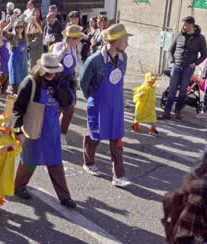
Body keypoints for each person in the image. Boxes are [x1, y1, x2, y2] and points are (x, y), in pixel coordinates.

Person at [12, 53, 76, 209]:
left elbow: (68, 103)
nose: (52, 75)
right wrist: (17, 131)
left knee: (55, 162)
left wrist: (60, 91)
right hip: (33, 128)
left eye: (55, 71)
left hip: (52, 129)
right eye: (49, 71)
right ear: (40, 69)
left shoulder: (58, 81)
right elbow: (17, 108)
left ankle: (64, 197)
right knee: (29, 161)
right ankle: (19, 186)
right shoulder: (30, 83)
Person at [80, 24, 133, 187]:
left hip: (116, 105)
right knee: (94, 135)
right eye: (125, 41)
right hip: (98, 104)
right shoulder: (94, 60)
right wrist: (94, 99)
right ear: (115, 42)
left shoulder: (123, 59)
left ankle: (118, 175)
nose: (127, 44)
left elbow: (120, 79)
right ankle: (88, 163)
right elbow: (83, 83)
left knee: (117, 139)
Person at [159, 16, 207, 120]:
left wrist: (195, 63)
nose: (184, 26)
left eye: (186, 24)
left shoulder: (200, 38)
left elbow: (204, 54)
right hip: (176, 66)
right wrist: (172, 61)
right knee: (172, 90)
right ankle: (166, 112)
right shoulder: (178, 35)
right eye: (184, 24)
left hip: (188, 68)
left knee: (182, 91)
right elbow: (170, 50)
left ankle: (177, 112)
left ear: (191, 25)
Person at [52, 25, 85, 145]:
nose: (79, 41)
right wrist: (63, 51)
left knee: (70, 108)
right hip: (59, 81)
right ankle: (55, 132)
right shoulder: (59, 46)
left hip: (70, 82)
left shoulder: (75, 48)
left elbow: (77, 64)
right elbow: (54, 59)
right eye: (77, 39)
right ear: (70, 38)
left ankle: (62, 133)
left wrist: (84, 70)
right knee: (59, 108)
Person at [3, 19, 42, 94]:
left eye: (21, 27)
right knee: (15, 84)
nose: (19, 29)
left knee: (23, 83)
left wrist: (35, 21)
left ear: (23, 27)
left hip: (23, 62)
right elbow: (4, 32)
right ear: (15, 28)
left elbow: (40, 32)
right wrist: (11, 22)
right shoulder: (12, 36)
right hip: (15, 62)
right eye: (17, 27)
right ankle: (13, 101)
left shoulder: (27, 36)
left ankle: (20, 101)